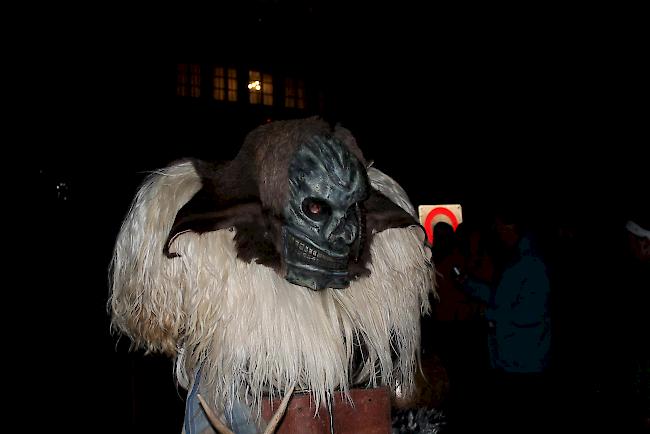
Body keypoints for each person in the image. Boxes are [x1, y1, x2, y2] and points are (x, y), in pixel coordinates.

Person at [454, 204, 552, 433]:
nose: (495, 232)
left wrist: (487, 314)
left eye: (498, 227)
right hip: (511, 359)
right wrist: (467, 283)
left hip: (526, 361)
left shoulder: (531, 263)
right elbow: (502, 296)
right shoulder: (517, 259)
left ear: (511, 227)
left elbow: (531, 312)